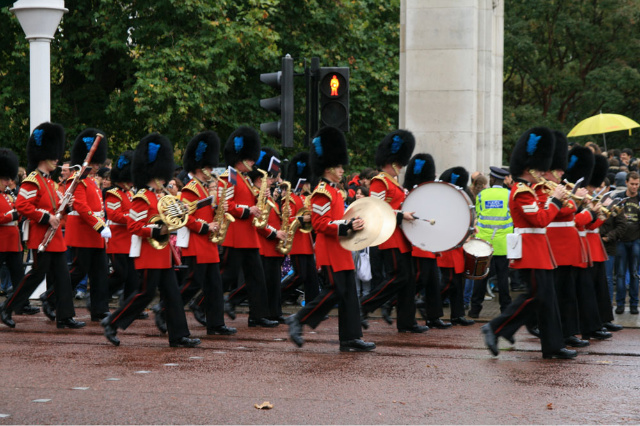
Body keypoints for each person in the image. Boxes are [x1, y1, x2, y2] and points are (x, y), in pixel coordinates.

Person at [481, 126, 576, 359]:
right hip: (530, 251)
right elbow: (540, 220)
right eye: (540, 170)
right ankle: (495, 327)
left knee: (546, 298)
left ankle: (552, 345)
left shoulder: (532, 190)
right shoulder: (521, 192)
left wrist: (558, 199)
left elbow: (548, 213)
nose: (543, 174)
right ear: (530, 168)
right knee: (536, 296)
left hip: (540, 250)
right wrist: (555, 200)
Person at [101, 132, 200, 348]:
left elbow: (172, 220)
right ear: (152, 174)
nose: (166, 179)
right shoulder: (141, 198)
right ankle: (112, 321)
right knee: (145, 294)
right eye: (162, 175)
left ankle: (178, 335)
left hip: (163, 254)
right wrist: (156, 231)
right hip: (148, 254)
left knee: (173, 295)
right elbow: (134, 227)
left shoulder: (162, 196)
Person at [286, 126, 375, 351]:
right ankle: (299, 319)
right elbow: (319, 224)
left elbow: (338, 219)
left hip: (341, 249)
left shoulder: (336, 191)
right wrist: (347, 226)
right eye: (338, 166)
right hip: (330, 252)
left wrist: (354, 224)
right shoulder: (322, 192)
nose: (342, 170)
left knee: (349, 295)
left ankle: (351, 337)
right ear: (328, 168)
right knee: (335, 291)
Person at [1, 122, 85, 330]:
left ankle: (65, 316)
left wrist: (67, 207)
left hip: (54, 237)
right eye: (54, 155)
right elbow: (22, 205)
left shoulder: (51, 183)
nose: (57, 159)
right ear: (43, 156)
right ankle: (7, 308)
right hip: (40, 237)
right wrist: (47, 218)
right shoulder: (33, 181)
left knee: (63, 278)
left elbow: (57, 210)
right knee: (36, 274)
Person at [361, 130, 427, 333]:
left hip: (402, 237)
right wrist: (400, 215)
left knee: (408, 279)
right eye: (399, 163)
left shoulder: (394, 182)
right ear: (392, 162)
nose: (401, 166)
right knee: (397, 277)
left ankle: (407, 322)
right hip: (390, 236)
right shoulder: (380, 181)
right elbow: (376, 208)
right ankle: (361, 307)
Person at [43, 128, 111, 322]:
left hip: (95, 232)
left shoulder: (91, 181)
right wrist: (100, 226)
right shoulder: (76, 179)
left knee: (100, 272)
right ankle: (50, 297)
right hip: (84, 231)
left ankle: (99, 309)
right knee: (78, 271)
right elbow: (80, 206)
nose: (98, 166)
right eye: (96, 162)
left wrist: (101, 226)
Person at [175, 131, 236, 336]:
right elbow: (187, 218)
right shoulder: (189, 190)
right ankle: (165, 310)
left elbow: (207, 212)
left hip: (208, 245)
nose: (211, 170)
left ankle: (216, 324)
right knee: (193, 284)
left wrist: (220, 208)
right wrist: (205, 227)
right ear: (200, 168)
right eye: (209, 167)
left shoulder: (203, 188)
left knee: (215, 286)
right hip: (196, 244)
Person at [220, 126, 277, 328]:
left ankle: (257, 315)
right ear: (240, 157)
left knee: (256, 277)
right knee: (227, 276)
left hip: (248, 235)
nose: (253, 162)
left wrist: (264, 196)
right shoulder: (230, 176)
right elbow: (228, 205)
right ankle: (202, 305)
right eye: (250, 158)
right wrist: (248, 210)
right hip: (235, 235)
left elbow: (251, 199)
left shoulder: (244, 178)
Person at [404, 153, 452, 329]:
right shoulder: (410, 194)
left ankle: (433, 317)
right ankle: (394, 302)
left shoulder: (428, 192)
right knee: (420, 279)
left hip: (428, 242)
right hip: (417, 242)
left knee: (432, 281)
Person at [468, 166, 513, 318]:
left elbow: (479, 215)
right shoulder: (509, 195)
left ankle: (475, 310)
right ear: (503, 179)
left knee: (480, 277)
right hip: (503, 243)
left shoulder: (482, 195)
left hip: (484, 243)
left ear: (492, 179)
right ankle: (505, 309)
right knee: (503, 278)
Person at [279, 152, 320, 304]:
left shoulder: (304, 198)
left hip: (306, 242)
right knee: (299, 276)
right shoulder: (290, 198)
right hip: (296, 242)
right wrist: (303, 219)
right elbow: (286, 220)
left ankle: (313, 306)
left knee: (311, 277)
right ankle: (277, 296)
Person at [437, 167, 475, 326]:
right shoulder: (439, 199)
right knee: (449, 281)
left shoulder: (462, 196)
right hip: (446, 243)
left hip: (458, 244)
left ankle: (457, 314)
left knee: (458, 282)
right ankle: (429, 305)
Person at [104, 151, 140, 304]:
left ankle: (129, 304)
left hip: (130, 240)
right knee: (121, 274)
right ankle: (101, 294)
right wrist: (133, 218)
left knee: (133, 275)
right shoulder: (114, 194)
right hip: (118, 241)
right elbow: (114, 215)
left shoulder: (130, 194)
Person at [612, 171, 640, 314]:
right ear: (627, 183)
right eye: (632, 184)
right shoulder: (618, 198)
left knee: (634, 273)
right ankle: (621, 304)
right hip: (621, 240)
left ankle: (634, 303)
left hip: (636, 240)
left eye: (637, 184)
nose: (635, 187)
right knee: (621, 274)